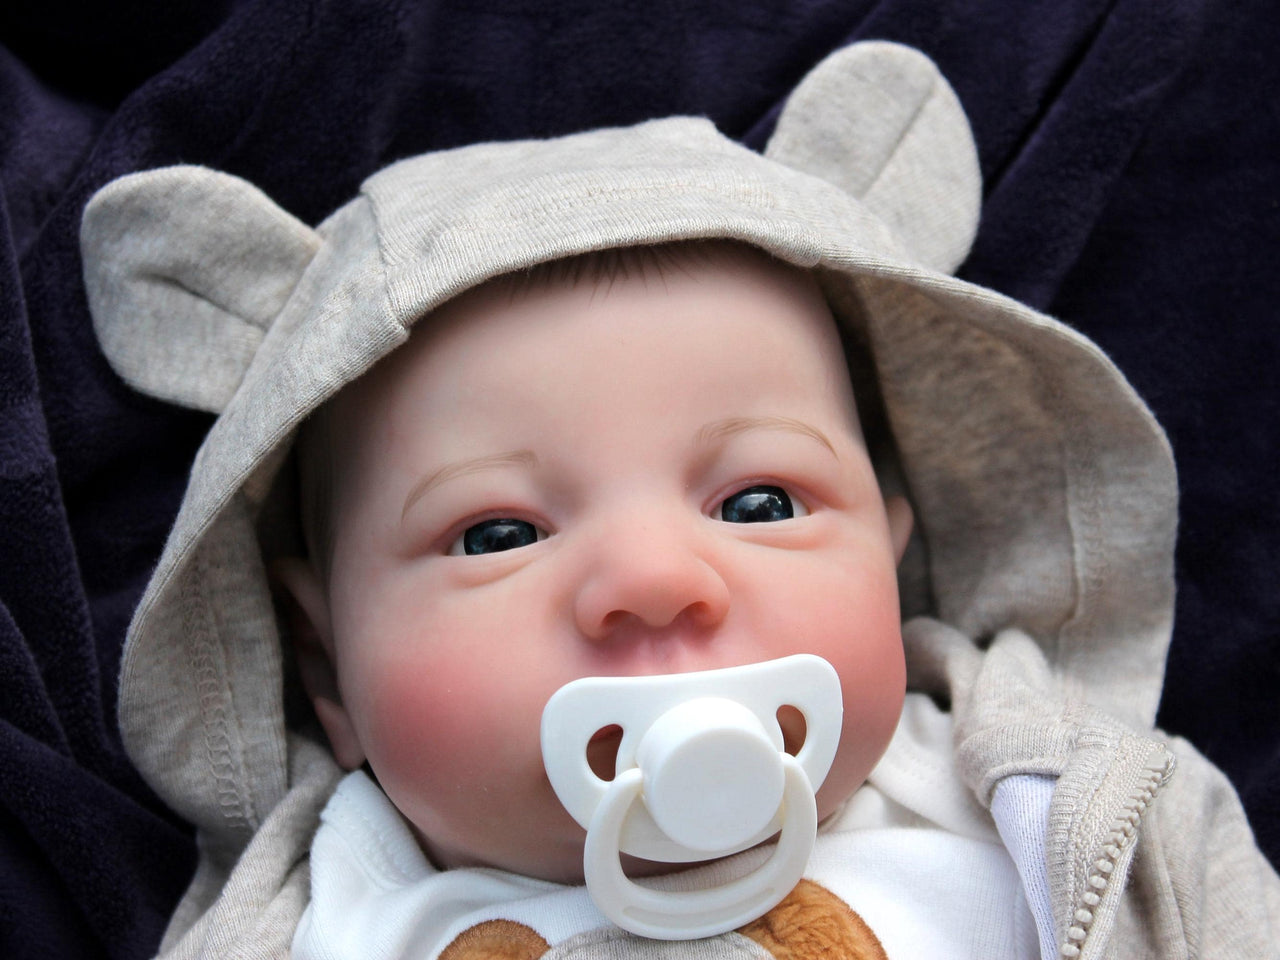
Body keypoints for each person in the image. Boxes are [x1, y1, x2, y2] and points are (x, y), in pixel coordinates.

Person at [79, 42, 1278, 960]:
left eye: (759, 503)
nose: (653, 577)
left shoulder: (1049, 807)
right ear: (323, 667)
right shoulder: (335, 917)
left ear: (890, 560)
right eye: (497, 534)